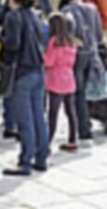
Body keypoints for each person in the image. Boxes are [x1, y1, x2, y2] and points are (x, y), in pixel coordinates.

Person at [0, 0, 49, 176]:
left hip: (22, 71)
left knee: (24, 119)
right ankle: (42, 157)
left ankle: (25, 161)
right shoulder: (36, 16)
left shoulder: (13, 17)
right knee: (38, 116)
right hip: (38, 69)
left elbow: (13, 45)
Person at [60, 0, 104, 141]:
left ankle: (82, 128)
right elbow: (99, 34)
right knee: (84, 91)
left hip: (75, 55)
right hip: (92, 54)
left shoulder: (66, 11)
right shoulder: (92, 9)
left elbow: (65, 36)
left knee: (75, 93)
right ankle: (85, 124)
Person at [0, 0, 28, 140]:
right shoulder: (31, 9)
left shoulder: (11, 11)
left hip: (12, 56)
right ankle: (14, 123)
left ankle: (11, 124)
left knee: (10, 89)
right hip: (25, 58)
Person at [44, 12, 79, 153]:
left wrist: (43, 55)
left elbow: (49, 61)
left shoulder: (54, 42)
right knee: (71, 111)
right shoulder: (72, 41)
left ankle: (47, 141)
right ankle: (72, 140)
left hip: (55, 80)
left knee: (53, 112)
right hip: (69, 78)